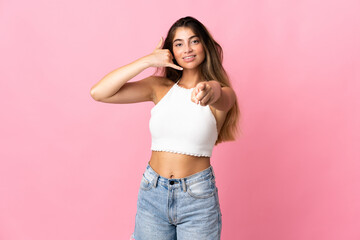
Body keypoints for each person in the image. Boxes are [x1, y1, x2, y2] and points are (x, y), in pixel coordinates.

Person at [90, 16, 240, 240]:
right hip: (153, 193)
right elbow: (99, 92)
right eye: (179, 43)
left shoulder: (220, 91)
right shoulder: (158, 87)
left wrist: (212, 89)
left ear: (205, 46)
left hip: (197, 198)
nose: (187, 49)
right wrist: (148, 61)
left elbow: (222, 97)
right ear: (171, 51)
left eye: (194, 41)